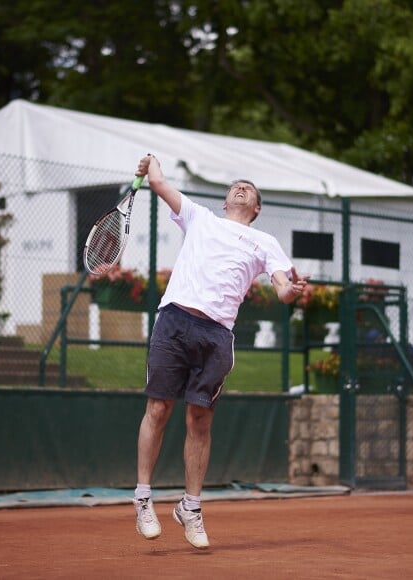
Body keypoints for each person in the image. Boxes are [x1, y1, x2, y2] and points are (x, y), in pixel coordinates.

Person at [132, 155, 309, 549]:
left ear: (256, 208)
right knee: (158, 410)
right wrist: (153, 163)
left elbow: (281, 288)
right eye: (235, 186)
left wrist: (291, 292)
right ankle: (143, 498)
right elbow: (160, 185)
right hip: (175, 321)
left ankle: (190, 508)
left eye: (249, 188)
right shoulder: (200, 217)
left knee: (200, 421)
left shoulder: (266, 242)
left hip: (216, 335)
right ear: (226, 201)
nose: (241, 187)